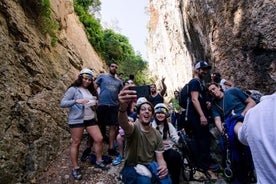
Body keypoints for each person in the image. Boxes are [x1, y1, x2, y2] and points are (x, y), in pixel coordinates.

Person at [60, 68, 109, 180]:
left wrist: (94, 104)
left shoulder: (91, 91)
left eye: (90, 79)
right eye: (85, 78)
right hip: (77, 119)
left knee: (99, 138)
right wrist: (76, 101)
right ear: (80, 77)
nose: (87, 81)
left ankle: (99, 160)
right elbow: (62, 103)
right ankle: (76, 168)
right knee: (76, 142)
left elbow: (92, 104)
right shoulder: (73, 89)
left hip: (90, 118)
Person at [118, 89, 171, 183]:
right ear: (138, 115)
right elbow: (124, 123)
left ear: (152, 116)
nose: (147, 111)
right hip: (132, 165)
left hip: (151, 164)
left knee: (167, 181)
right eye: (143, 109)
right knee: (145, 181)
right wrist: (122, 108)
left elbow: (160, 158)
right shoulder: (133, 128)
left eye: (150, 110)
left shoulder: (157, 134)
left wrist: (163, 166)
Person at [207, 82, 256, 183]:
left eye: (213, 88)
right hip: (230, 126)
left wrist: (242, 115)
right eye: (210, 91)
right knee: (225, 143)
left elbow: (252, 102)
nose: (212, 92)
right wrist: (223, 133)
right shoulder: (214, 105)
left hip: (245, 118)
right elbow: (217, 120)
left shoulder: (233, 92)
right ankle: (238, 173)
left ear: (219, 87)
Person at [234, 91, 276, 183]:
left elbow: (242, 136)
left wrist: (238, 120)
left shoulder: (253, 113)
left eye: (213, 89)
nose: (212, 92)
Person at [185, 61, 218, 179]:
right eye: (202, 69)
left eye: (206, 69)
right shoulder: (194, 82)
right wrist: (202, 115)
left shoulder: (201, 83)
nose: (204, 71)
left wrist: (207, 103)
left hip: (199, 116)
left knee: (203, 139)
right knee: (202, 139)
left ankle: (202, 164)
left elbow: (200, 98)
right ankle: (204, 166)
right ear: (196, 70)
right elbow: (194, 99)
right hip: (196, 117)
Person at [95, 62, 123, 156]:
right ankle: (99, 150)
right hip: (102, 105)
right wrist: (97, 98)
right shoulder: (102, 77)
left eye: (116, 67)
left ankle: (111, 148)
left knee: (113, 127)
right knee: (99, 126)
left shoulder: (119, 82)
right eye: (112, 66)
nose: (114, 68)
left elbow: (121, 94)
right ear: (109, 67)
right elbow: (94, 87)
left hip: (114, 106)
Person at [151, 103, 182, 184]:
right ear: (155, 114)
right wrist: (160, 143)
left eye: (162, 113)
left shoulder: (169, 125)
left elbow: (175, 137)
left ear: (165, 114)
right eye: (158, 113)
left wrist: (180, 140)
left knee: (176, 156)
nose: (160, 115)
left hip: (167, 150)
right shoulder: (151, 126)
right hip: (153, 152)